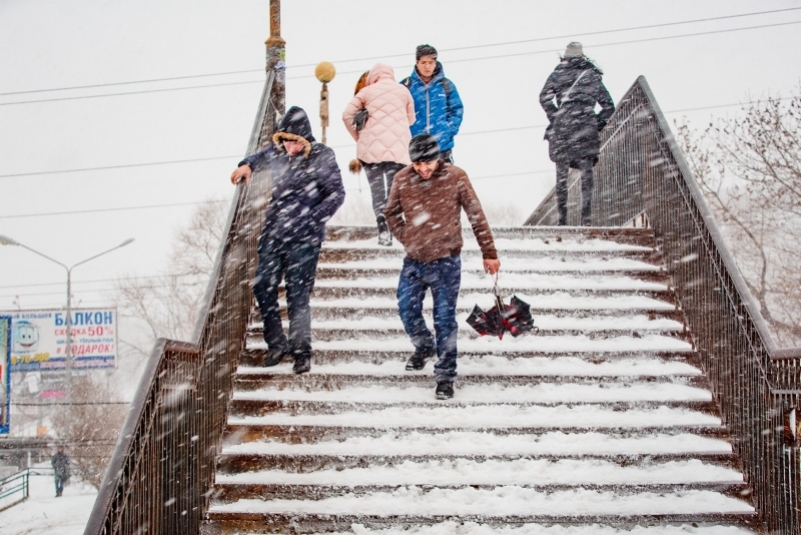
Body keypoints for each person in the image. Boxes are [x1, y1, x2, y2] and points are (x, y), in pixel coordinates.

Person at [384, 133, 500, 400]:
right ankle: (424, 346)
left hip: (447, 261)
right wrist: (407, 236)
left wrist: (489, 252)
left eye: (429, 163)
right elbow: (390, 213)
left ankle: (445, 376)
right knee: (406, 308)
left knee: (444, 320)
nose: (424, 169)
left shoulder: (456, 176)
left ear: (439, 158)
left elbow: (476, 214)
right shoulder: (402, 178)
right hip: (414, 260)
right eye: (418, 164)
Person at [230, 106, 345, 374]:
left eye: (295, 142)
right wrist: (246, 165)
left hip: (304, 238)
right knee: (262, 285)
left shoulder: (322, 156)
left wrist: (311, 220)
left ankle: (301, 350)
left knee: (297, 294)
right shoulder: (278, 151)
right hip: (274, 232)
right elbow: (260, 156)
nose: (289, 147)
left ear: (305, 139)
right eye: (285, 141)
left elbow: (337, 194)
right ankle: (277, 344)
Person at [539, 42, 615, 226]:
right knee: (586, 175)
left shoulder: (557, 74)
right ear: (582, 56)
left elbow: (544, 97)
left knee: (562, 175)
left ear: (565, 56)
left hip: (563, 126)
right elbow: (608, 106)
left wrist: (555, 116)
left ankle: (563, 220)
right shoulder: (591, 76)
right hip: (586, 127)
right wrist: (596, 123)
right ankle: (586, 219)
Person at [343, 63, 415, 246]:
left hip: (370, 150)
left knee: (377, 189)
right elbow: (412, 119)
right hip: (398, 150)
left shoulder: (366, 92)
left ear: (372, 77)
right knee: (393, 189)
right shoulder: (403, 91)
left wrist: (359, 137)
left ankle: (382, 225)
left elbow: (347, 115)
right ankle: (394, 225)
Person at [401, 44, 464, 163]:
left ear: (435, 63)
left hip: (442, 147)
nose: (427, 66)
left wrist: (448, 130)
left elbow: (457, 109)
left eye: (431, 62)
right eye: (424, 62)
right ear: (417, 62)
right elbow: (394, 110)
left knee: (446, 181)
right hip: (415, 149)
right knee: (416, 182)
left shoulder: (446, 85)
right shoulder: (406, 86)